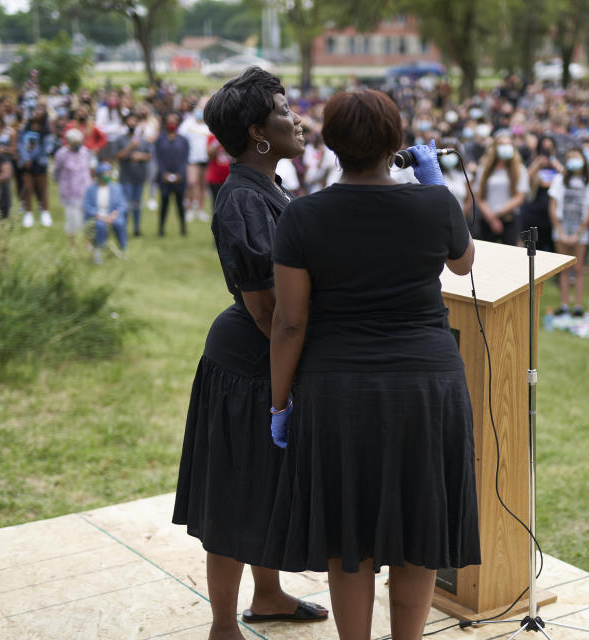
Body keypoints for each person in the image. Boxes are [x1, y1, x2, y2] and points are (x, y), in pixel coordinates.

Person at [267, 88, 479, 640]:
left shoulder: (303, 216)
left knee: (348, 538)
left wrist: (279, 403)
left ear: (331, 143)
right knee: (419, 528)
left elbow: (291, 322)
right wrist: (436, 184)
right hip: (427, 385)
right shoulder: (434, 204)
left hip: (338, 390)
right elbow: (463, 265)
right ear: (397, 142)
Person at [171, 68, 328, 639]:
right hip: (247, 364)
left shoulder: (265, 187)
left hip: (266, 360)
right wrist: (296, 371)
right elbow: (267, 312)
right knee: (235, 494)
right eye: (287, 111)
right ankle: (222, 626)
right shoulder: (241, 198)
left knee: (266, 482)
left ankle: (267, 595)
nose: (299, 119)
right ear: (260, 133)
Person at [548, 147, 589, 317]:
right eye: (569, 157)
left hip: (580, 228)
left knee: (579, 269)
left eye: (576, 157)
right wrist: (560, 231)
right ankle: (564, 304)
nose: (573, 160)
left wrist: (579, 233)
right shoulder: (559, 180)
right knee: (564, 269)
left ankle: (578, 306)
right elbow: (553, 205)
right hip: (562, 226)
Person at [473, 131, 529, 245]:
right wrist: (491, 219)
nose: (505, 147)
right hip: (487, 220)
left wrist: (497, 214)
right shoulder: (483, 169)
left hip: (510, 220)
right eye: (502, 144)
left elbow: (519, 197)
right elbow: (479, 196)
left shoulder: (519, 169)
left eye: (508, 144)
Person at [110, 112, 153, 236]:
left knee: (137, 204)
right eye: (130, 121)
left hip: (139, 176)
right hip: (125, 177)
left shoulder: (143, 140)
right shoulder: (119, 139)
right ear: (125, 123)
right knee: (125, 204)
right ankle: (122, 228)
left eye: (135, 121)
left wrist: (140, 156)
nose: (132, 124)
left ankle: (136, 229)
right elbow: (117, 156)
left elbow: (149, 156)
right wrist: (130, 147)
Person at [521, 135, 563, 252]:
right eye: (544, 149)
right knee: (534, 250)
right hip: (533, 214)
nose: (546, 153)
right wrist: (537, 163)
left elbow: (567, 179)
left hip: (552, 215)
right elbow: (524, 180)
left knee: (554, 251)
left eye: (549, 149)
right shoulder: (531, 164)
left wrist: (556, 164)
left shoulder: (558, 165)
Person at [82, 162, 128, 264]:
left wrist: (114, 215)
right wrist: (99, 215)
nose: (108, 176)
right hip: (98, 216)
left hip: (112, 215)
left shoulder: (116, 188)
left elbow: (122, 204)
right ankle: (98, 252)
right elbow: (87, 206)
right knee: (100, 226)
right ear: (99, 176)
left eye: (109, 173)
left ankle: (123, 248)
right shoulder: (91, 189)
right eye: (105, 174)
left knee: (119, 223)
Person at [17, 105, 54, 227]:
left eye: (40, 110)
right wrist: (25, 158)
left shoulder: (47, 130)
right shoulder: (25, 127)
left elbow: (46, 148)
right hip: (26, 163)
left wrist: (31, 158)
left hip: (40, 162)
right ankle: (28, 214)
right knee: (28, 188)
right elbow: (20, 143)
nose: (37, 112)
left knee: (41, 189)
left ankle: (45, 213)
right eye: (36, 109)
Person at [52, 128, 93, 239]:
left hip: (85, 189)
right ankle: (73, 245)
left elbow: (89, 168)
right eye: (75, 143)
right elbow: (56, 171)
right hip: (70, 192)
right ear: (68, 142)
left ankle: (86, 242)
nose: (77, 145)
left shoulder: (85, 152)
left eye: (79, 143)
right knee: (73, 221)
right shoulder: (61, 154)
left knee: (87, 219)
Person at [154, 112, 190, 236]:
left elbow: (185, 159)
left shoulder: (183, 140)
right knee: (164, 203)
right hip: (164, 177)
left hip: (179, 178)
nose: (171, 124)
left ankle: (183, 228)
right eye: (169, 122)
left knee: (180, 203)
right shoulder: (160, 139)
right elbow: (158, 158)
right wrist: (164, 173)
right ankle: (161, 229)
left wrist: (180, 174)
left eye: (174, 121)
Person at [179, 101, 212, 221]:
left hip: (206, 158)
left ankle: (201, 210)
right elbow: (180, 138)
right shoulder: (188, 123)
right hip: (191, 158)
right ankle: (189, 209)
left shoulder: (209, 124)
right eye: (199, 108)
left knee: (203, 185)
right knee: (192, 183)